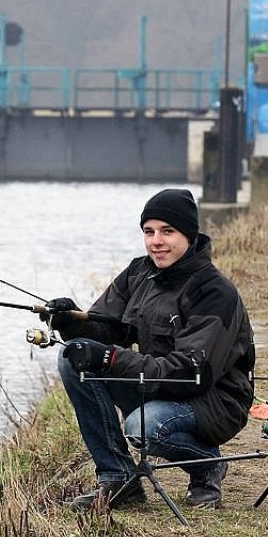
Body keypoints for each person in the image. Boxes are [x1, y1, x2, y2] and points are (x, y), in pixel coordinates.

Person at [45, 188, 254, 511]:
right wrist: (71, 321)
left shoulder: (214, 292)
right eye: (149, 231)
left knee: (144, 426)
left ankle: (207, 465)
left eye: (167, 231)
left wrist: (112, 357)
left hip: (214, 400)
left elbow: (190, 373)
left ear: (189, 233)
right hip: (159, 384)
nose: (156, 241)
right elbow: (106, 328)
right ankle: (119, 477)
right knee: (73, 355)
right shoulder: (139, 272)